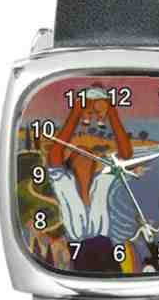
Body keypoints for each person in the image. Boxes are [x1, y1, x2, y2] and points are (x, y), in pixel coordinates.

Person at [46, 86, 133, 272]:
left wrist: (111, 112)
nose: (86, 154)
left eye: (90, 153)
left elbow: (126, 154)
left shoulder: (102, 181)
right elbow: (55, 153)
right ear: (70, 163)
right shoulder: (64, 183)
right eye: (79, 152)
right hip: (80, 255)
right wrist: (76, 111)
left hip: (105, 251)